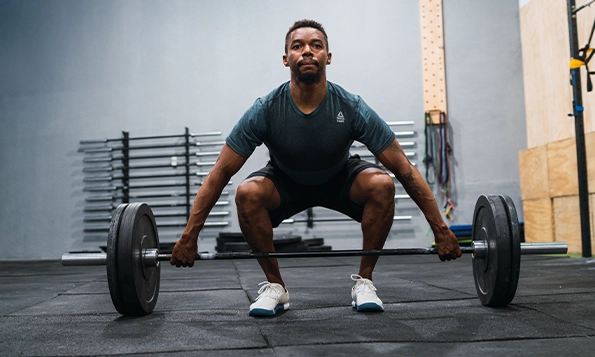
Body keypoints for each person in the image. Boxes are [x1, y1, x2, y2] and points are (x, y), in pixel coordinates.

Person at [170, 19, 462, 317]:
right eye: (298, 46)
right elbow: (220, 173)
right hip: (286, 182)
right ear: (286, 59)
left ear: (328, 56)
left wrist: (441, 229)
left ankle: (365, 282)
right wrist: (190, 235)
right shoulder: (266, 109)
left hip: (339, 178)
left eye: (316, 45)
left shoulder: (351, 106)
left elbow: (405, 170)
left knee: (382, 183)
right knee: (247, 193)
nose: (307, 51)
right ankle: (275, 287)